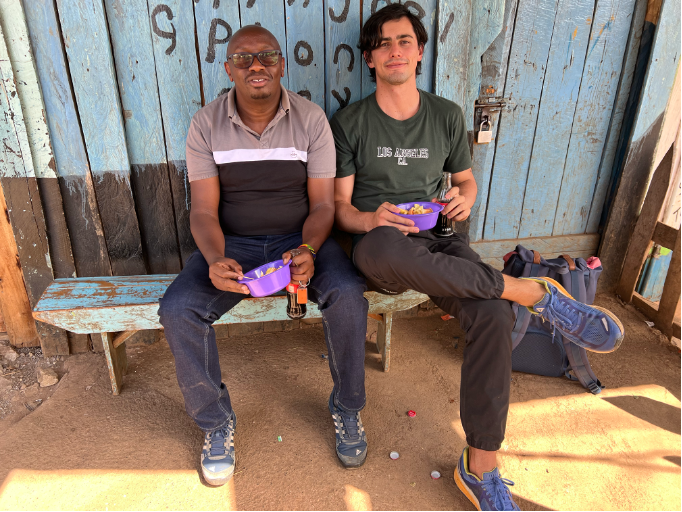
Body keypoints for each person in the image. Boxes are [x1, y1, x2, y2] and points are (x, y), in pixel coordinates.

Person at [330, 5, 624, 510]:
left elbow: (464, 180)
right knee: (380, 248)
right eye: (382, 43)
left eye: (404, 41)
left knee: (491, 314)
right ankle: (531, 292)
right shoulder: (351, 121)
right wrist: (370, 219)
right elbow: (339, 209)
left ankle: (480, 465)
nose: (394, 50)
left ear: (419, 52)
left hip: (439, 239)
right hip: (382, 247)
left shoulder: (446, 114)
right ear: (370, 58)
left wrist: (466, 195)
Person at [159, 25, 369, 487]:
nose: (257, 66)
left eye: (267, 56)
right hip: (235, 243)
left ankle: (348, 408)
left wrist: (310, 248)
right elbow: (204, 210)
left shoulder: (311, 119)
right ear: (229, 67)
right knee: (178, 309)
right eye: (244, 58)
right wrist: (214, 257)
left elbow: (322, 206)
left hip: (302, 239)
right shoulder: (206, 124)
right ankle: (216, 423)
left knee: (349, 295)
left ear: (282, 64)